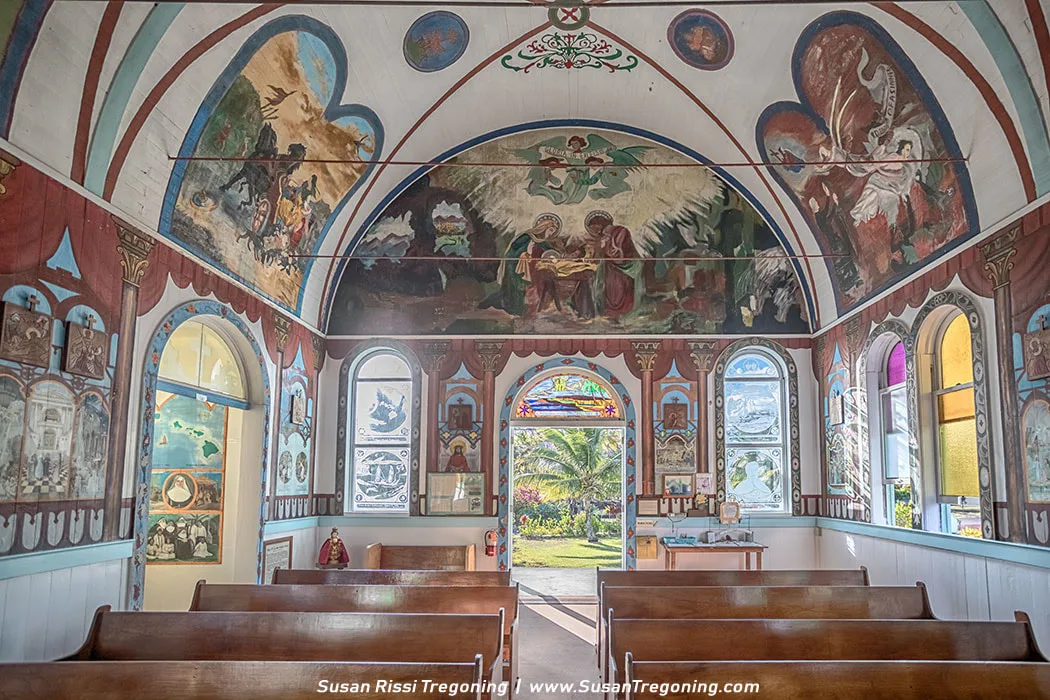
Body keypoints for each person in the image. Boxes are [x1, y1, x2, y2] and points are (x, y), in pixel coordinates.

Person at [586, 210, 639, 318]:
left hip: (623, 269)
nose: (593, 231)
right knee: (608, 291)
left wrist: (604, 247)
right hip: (609, 268)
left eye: (593, 227)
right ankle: (608, 314)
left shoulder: (620, 230)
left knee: (619, 290)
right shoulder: (603, 237)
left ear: (598, 223)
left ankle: (621, 314)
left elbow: (617, 253)